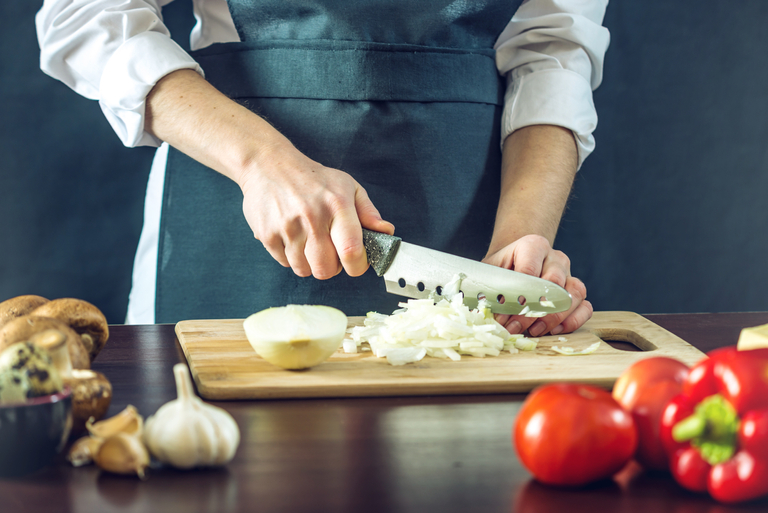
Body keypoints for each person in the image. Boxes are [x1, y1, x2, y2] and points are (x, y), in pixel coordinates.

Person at [36, 0, 610, 336]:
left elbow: (553, 50)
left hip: (470, 215)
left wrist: (519, 247)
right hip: (235, 203)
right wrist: (263, 163)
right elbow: (89, 15)